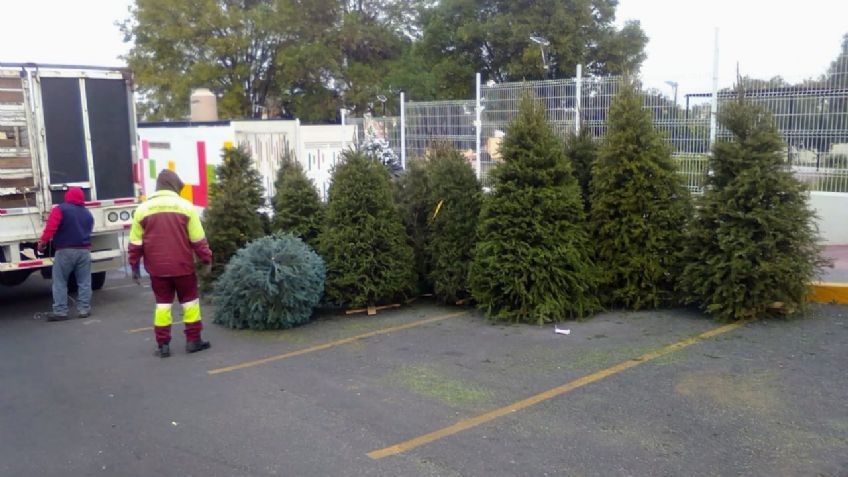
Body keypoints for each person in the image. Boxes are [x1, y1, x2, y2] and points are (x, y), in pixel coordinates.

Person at [128, 170, 213, 358]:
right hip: (183, 267)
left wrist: (134, 266)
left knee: (163, 305)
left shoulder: (143, 209)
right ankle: (193, 341)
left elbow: (135, 242)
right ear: (174, 186)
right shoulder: (185, 207)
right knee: (190, 303)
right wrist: (206, 259)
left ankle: (163, 345)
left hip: (157, 270)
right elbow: (198, 239)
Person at [36, 187, 94, 321]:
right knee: (84, 281)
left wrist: (42, 242)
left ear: (68, 196)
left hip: (65, 251)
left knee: (60, 282)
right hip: (84, 251)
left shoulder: (60, 209)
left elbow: (51, 227)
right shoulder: (87, 213)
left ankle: (60, 311)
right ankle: (84, 309)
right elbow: (89, 229)